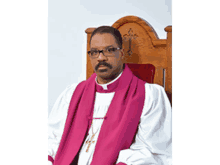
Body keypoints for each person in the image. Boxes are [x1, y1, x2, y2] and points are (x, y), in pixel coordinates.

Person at [48, 26, 172, 165]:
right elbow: (52, 140)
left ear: (122, 53)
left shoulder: (148, 95)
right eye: (95, 52)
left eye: (109, 50)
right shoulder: (73, 94)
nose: (101, 57)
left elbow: (151, 151)